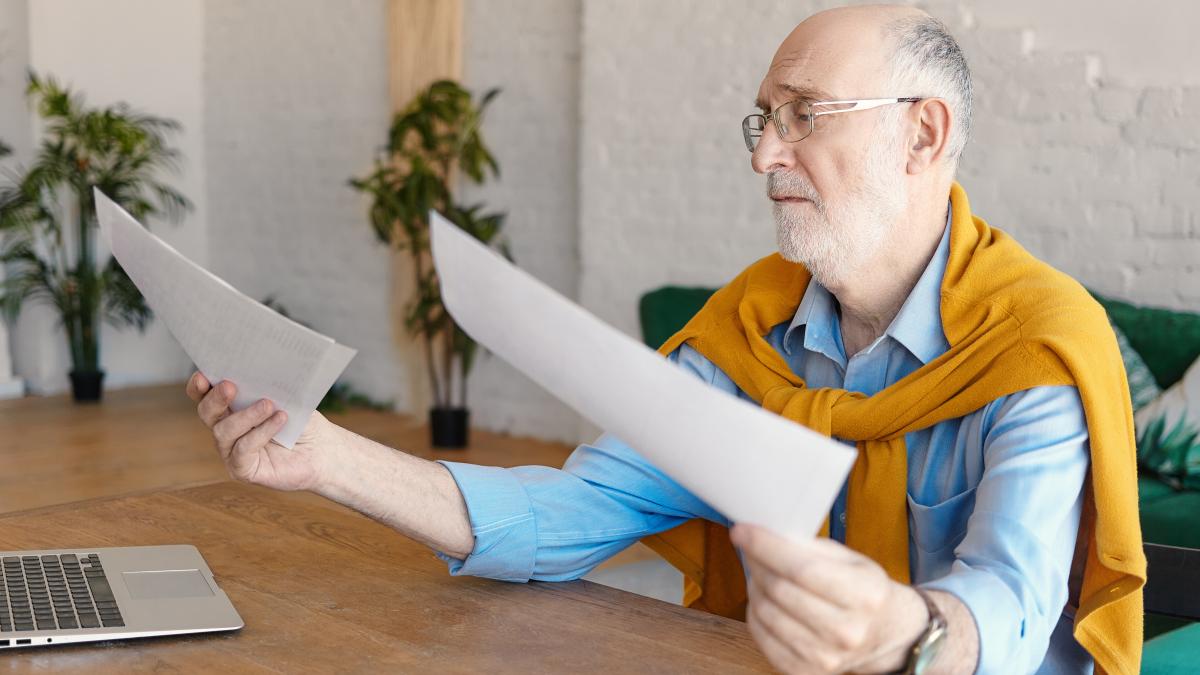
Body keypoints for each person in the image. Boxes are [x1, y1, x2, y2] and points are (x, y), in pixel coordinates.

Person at [186, 5, 1145, 674]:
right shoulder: (747, 334)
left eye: (805, 115)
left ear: (923, 135)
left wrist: (906, 633)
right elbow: (574, 512)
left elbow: (1017, 608)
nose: (768, 154)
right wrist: (323, 457)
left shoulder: (1037, 344)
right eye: (764, 120)